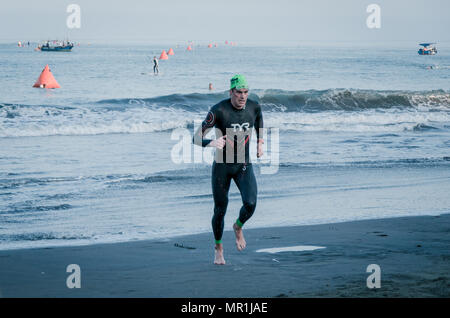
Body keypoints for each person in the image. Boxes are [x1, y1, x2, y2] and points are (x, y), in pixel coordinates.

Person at [193, 74, 264, 265]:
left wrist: (260, 142)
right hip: (222, 167)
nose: (243, 96)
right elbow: (196, 137)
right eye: (239, 92)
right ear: (231, 92)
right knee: (220, 210)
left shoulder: (254, 106)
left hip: (243, 164)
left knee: (250, 203)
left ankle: (238, 227)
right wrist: (211, 142)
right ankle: (218, 247)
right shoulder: (218, 110)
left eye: (245, 92)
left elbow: (258, 119)